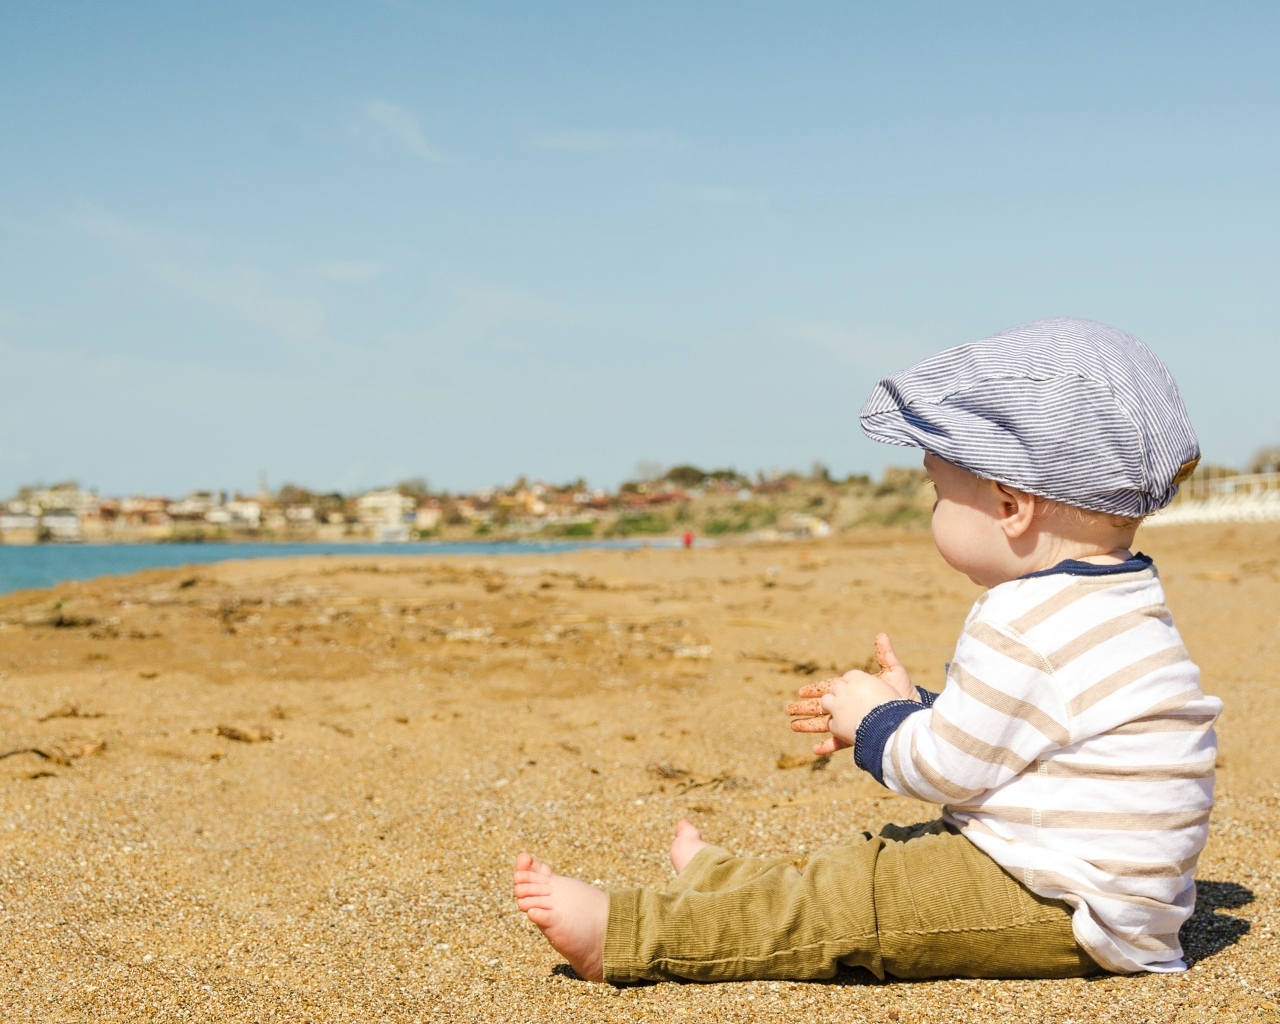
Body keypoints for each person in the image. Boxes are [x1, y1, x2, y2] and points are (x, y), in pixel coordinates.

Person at [512, 317, 1220, 983]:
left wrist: (875, 726)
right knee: (878, 858)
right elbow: (1028, 735)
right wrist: (919, 707)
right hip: (1113, 896)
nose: (933, 509)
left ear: (1010, 505)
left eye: (940, 492)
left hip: (1063, 906)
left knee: (856, 898)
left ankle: (630, 934)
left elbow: (947, 771)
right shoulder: (1124, 598)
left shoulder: (1020, 617)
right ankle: (725, 883)